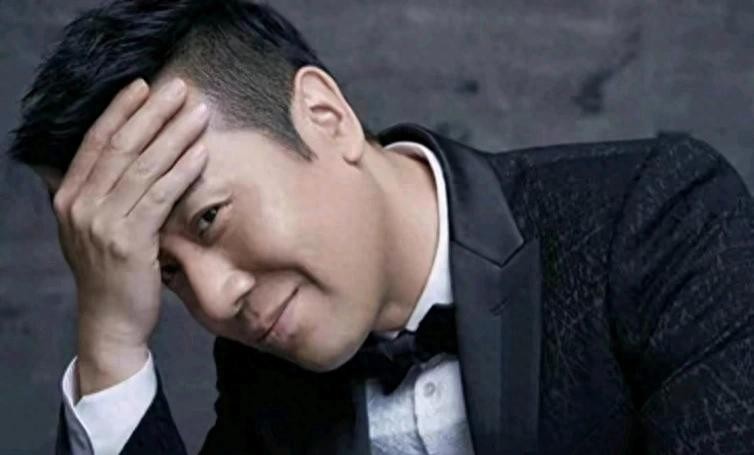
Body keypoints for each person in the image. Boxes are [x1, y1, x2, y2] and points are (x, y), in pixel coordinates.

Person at [7, 0, 754, 454]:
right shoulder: (268, 379)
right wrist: (110, 343)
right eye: (165, 271)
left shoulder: (658, 217)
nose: (213, 299)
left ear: (324, 115)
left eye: (208, 218)